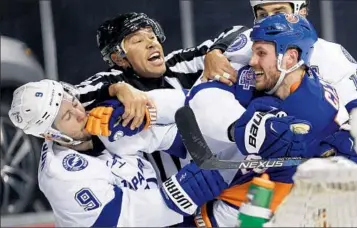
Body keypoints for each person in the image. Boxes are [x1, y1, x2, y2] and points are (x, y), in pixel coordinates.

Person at [186, 14, 357, 227]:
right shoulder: (273, 81)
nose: (252, 61)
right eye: (254, 52)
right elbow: (202, 97)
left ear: (290, 58)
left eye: (261, 53)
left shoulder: (311, 110)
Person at [8, 79, 228, 227]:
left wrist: (145, 113)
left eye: (75, 103)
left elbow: (176, 138)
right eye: (67, 117)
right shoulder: (62, 177)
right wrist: (189, 187)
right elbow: (125, 218)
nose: (79, 113)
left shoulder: (101, 123)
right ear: (51, 135)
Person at [74, 12, 245, 182]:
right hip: (159, 199)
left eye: (152, 37)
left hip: (216, 183)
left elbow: (241, 33)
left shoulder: (179, 63)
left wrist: (216, 51)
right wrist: (114, 89)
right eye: (138, 41)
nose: (151, 44)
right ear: (119, 59)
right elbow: (61, 98)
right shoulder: (111, 81)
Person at [211, 0, 357, 115]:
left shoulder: (329, 55)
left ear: (301, 12)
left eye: (278, 13)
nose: (270, 22)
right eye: (262, 15)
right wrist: (212, 56)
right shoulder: (241, 46)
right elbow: (192, 70)